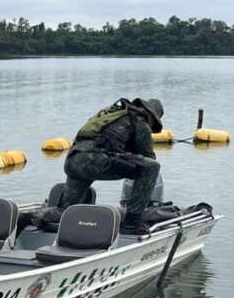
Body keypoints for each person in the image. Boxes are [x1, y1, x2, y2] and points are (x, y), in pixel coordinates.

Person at [59, 98, 165, 234]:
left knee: (65, 210)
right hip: (95, 160)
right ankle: (132, 222)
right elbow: (148, 157)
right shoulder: (140, 121)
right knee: (151, 168)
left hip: (73, 160)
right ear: (151, 116)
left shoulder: (114, 113)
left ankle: (30, 218)